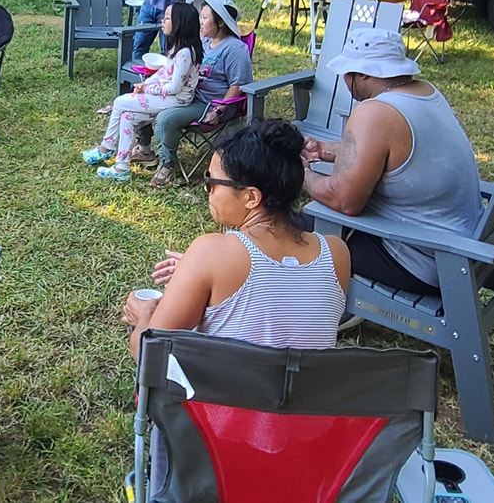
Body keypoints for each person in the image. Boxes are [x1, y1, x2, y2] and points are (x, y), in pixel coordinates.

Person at [120, 119, 350, 354]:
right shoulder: (337, 253)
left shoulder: (210, 253)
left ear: (251, 197)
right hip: (305, 391)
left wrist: (145, 315)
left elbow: (149, 352)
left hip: (223, 390)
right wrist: (200, 277)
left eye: (211, 182)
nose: (207, 190)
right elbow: (284, 300)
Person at [299, 29, 482, 295]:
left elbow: (344, 201)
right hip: (459, 247)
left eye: (346, 73)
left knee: (286, 226)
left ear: (363, 74)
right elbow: (394, 151)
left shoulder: (373, 113)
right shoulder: (425, 92)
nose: (345, 81)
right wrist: (326, 150)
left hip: (421, 260)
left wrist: (301, 173)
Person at [132, 0, 253, 187]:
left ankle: (167, 166)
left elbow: (237, 86)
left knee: (165, 118)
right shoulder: (203, 42)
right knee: (144, 100)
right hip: (188, 94)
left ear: (220, 22)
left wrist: (218, 110)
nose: (200, 22)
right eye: (200, 16)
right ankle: (145, 150)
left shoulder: (235, 49)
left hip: (210, 104)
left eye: (205, 18)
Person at [86, 2, 201, 181]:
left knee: (119, 102)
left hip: (175, 100)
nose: (163, 20)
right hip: (167, 97)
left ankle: (106, 147)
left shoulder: (185, 53)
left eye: (168, 18)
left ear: (181, 23)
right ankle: (121, 167)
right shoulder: (176, 48)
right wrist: (146, 83)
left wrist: (148, 89)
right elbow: (164, 72)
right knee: (127, 117)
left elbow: (174, 88)